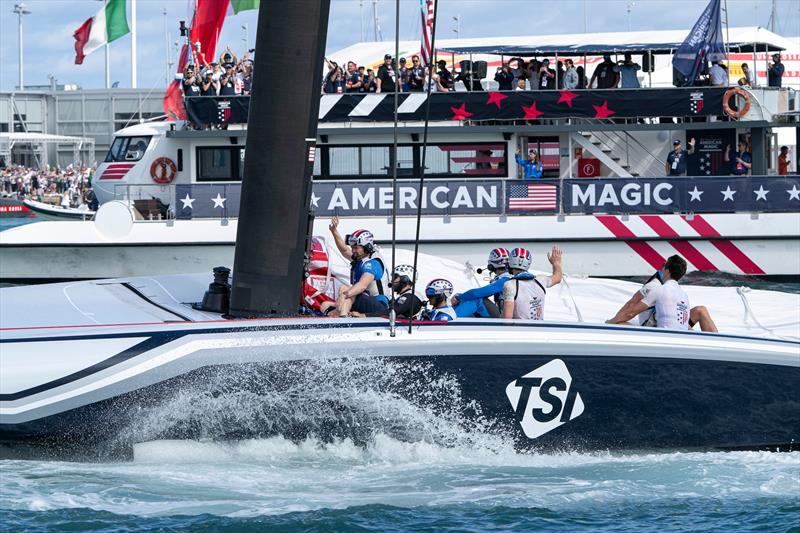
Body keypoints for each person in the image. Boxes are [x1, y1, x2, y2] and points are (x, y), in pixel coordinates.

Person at [606, 255, 713, 331]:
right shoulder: (684, 295)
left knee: (618, 322)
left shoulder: (658, 289)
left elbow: (630, 312)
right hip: (682, 334)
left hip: (662, 335)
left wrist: (610, 323)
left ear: (666, 271)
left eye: (664, 266)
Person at [325, 218, 389, 317]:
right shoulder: (361, 257)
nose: (353, 250)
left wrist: (344, 295)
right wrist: (334, 231)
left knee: (347, 291)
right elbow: (344, 250)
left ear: (367, 247)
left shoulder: (373, 263)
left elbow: (362, 286)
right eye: (352, 248)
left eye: (356, 248)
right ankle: (335, 317)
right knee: (325, 305)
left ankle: (342, 320)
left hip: (379, 306)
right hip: (364, 301)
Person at [502, 246, 563, 320]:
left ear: (510, 262)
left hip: (520, 330)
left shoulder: (510, 285)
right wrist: (556, 263)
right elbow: (558, 277)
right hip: (539, 328)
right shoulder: (541, 280)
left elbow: (507, 318)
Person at [453, 247, 512, 318]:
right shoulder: (508, 278)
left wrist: (459, 297)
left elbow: (476, 293)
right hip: (506, 314)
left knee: (478, 299)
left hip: (505, 317)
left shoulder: (505, 280)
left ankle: (448, 317)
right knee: (470, 299)